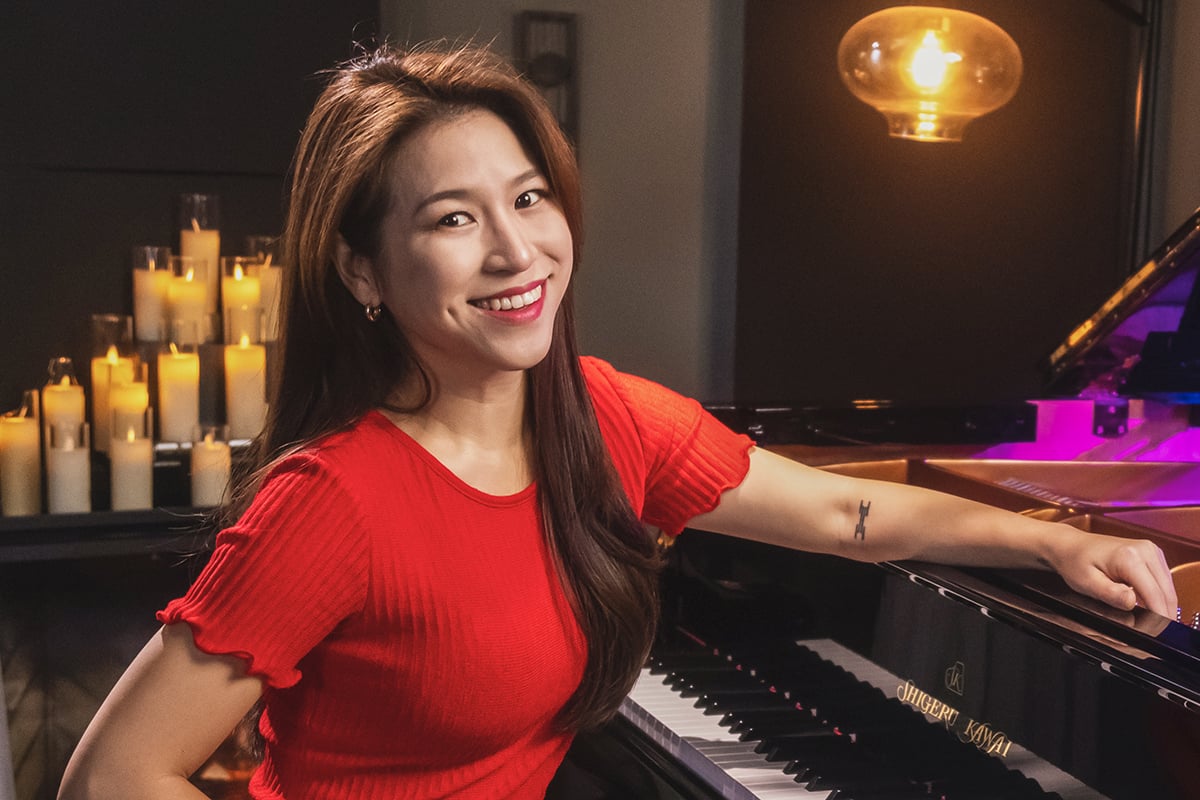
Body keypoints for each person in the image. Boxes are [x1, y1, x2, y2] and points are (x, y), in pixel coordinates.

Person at [58, 42, 1177, 800]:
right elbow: (113, 775)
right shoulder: (333, 501)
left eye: (529, 197)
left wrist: (1061, 540)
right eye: (455, 218)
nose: (517, 252)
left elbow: (845, 514)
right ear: (361, 269)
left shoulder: (599, 415)